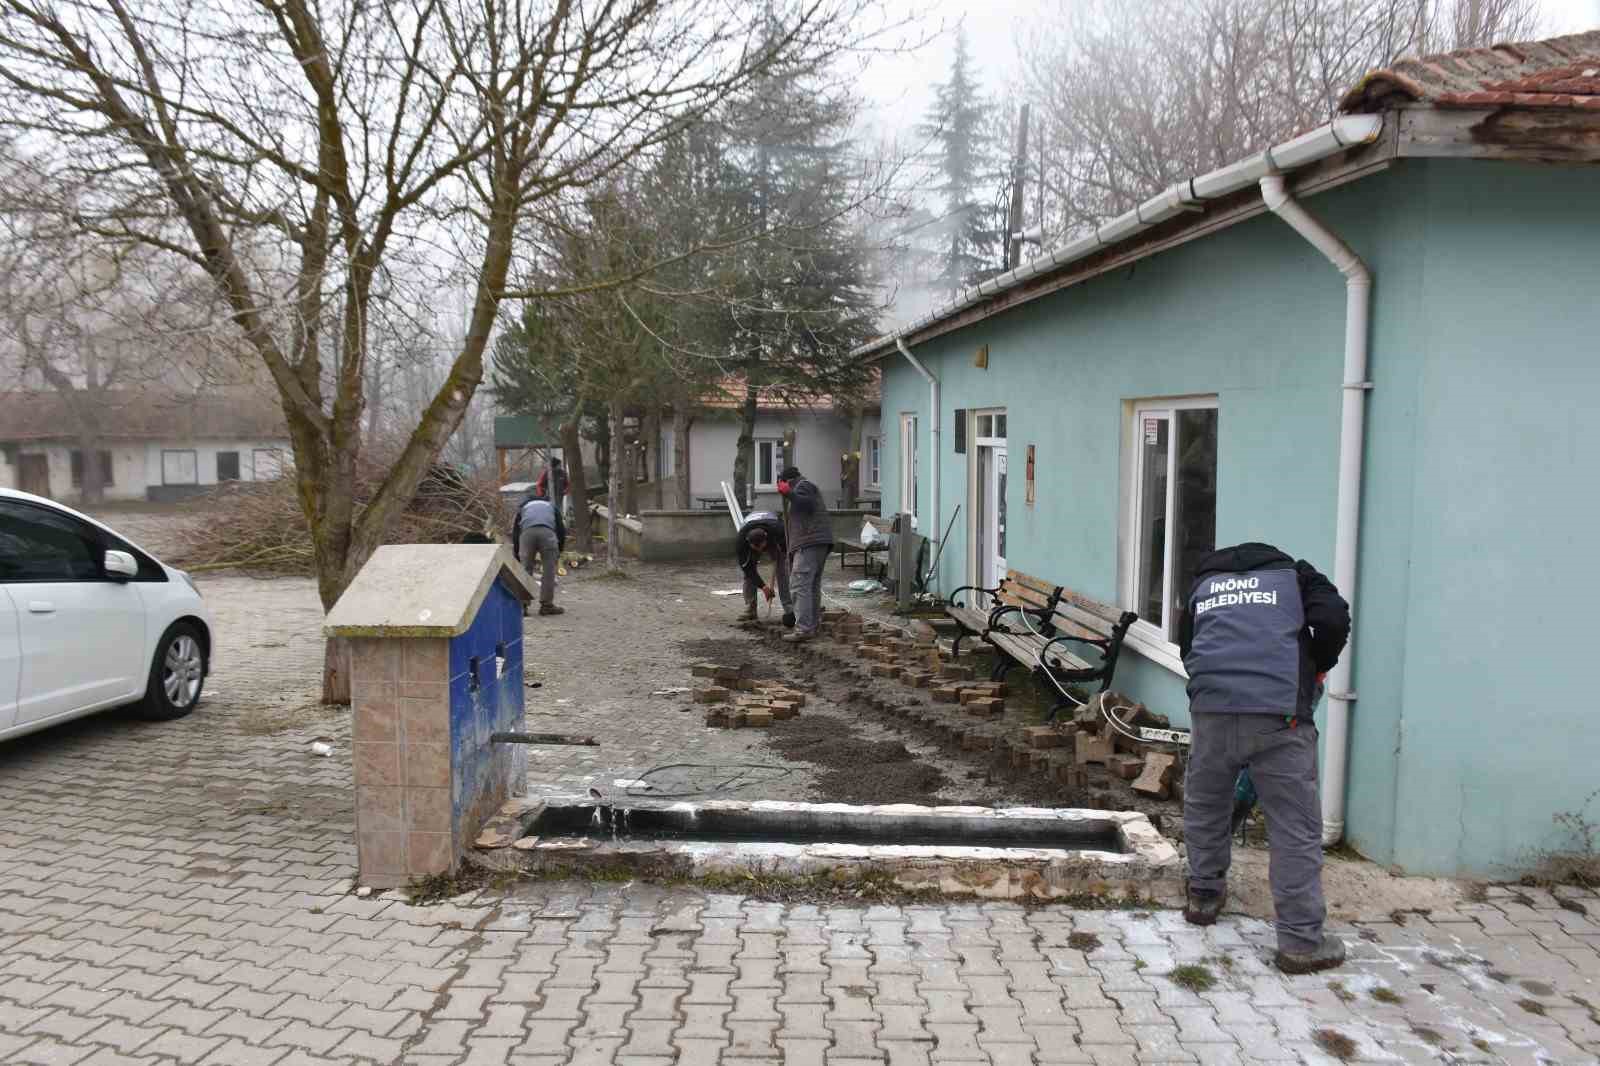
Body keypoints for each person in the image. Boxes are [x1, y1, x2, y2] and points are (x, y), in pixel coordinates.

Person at [1177, 542, 1351, 974]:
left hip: (1212, 710)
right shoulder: (1297, 577)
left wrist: (1212, 684)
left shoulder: (1204, 584)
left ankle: (1203, 895)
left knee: (1206, 803)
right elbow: (1333, 619)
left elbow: (1187, 644)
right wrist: (1317, 665)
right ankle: (1300, 942)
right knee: (1294, 826)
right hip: (1280, 715)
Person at [778, 465, 832, 642]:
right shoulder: (804, 487)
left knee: (800, 584)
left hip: (809, 542)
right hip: (817, 541)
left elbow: (806, 503)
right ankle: (811, 626)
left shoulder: (803, 486)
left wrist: (788, 493)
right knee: (811, 586)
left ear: (787, 481)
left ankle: (804, 629)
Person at [511, 487, 566, 616]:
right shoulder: (551, 506)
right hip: (548, 533)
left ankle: (522, 606)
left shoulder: (524, 507)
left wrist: (517, 552)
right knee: (549, 570)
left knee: (525, 570)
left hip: (527, 534)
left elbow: (516, 531)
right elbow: (561, 529)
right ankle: (547, 606)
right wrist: (560, 549)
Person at [736, 511, 795, 627]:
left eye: (762, 547)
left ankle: (789, 609)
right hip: (752, 528)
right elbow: (748, 569)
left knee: (782, 572)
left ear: (766, 539)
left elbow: (788, 550)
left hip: (773, 533)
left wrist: (780, 555)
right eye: (756, 548)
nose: (760, 551)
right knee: (748, 575)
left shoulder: (779, 530)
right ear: (749, 543)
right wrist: (764, 587)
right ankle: (751, 608)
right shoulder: (741, 543)